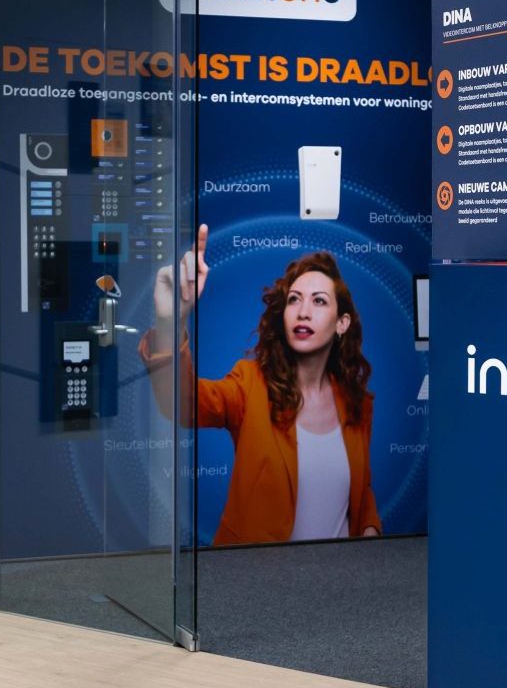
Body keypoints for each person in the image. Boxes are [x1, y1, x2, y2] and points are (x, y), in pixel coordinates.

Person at [142, 225, 380, 545]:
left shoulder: (357, 403)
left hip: (340, 572)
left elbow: (361, 489)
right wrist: (170, 323)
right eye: (294, 300)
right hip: (257, 574)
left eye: (319, 301)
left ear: (342, 323)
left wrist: (370, 529)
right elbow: (181, 403)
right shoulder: (250, 384)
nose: (304, 312)